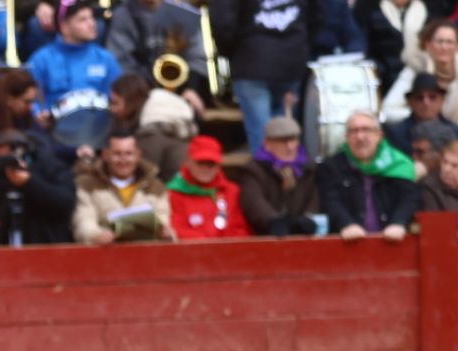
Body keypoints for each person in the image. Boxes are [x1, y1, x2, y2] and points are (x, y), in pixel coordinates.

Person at [208, 0, 319, 158]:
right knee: (284, 136)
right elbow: (319, 16)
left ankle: (269, 178)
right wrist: (298, 43)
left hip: (252, 62)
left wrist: (234, 52)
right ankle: (283, 178)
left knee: (263, 139)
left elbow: (223, 22)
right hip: (290, 62)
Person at [318, 109, 419, 241]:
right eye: (354, 131)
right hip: (346, 244)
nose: (360, 137)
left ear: (379, 135)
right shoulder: (331, 167)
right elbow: (330, 201)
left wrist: (398, 222)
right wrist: (346, 224)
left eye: (366, 130)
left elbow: (409, 198)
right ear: (346, 137)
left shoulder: (399, 164)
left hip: (392, 243)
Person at [28, 0, 122, 130]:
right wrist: (38, 114)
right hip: (53, 134)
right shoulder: (41, 59)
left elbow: (119, 97)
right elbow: (32, 100)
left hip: (98, 133)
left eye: (92, 18)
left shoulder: (105, 59)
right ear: (64, 26)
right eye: (83, 19)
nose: (92, 24)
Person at [105, 0, 209, 110]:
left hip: (182, 92)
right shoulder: (123, 15)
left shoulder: (181, 11)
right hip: (141, 95)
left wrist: (191, 88)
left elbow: (197, 57)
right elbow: (121, 62)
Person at [72, 131, 174, 243]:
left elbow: (163, 219)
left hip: (146, 253)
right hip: (105, 253)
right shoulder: (86, 185)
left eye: (129, 153)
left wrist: (165, 233)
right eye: (117, 154)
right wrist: (96, 235)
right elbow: (83, 221)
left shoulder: (155, 186)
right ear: (105, 155)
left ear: (138, 155)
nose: (123, 160)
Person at [382, 21, 458, 132]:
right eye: (439, 42)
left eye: (449, 42)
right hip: (417, 131)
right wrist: (422, 116)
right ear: (428, 45)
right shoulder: (415, 69)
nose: (444, 47)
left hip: (456, 135)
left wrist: (449, 132)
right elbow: (388, 109)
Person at [238, 114, 321, 235]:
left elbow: (314, 200)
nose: (290, 147)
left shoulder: (308, 170)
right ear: (267, 144)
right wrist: (273, 221)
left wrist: (307, 219)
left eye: (293, 140)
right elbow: (253, 202)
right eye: (283, 141)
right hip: (264, 239)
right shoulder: (254, 170)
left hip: (302, 238)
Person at [108, 71, 195, 180]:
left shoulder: (151, 133)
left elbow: (143, 175)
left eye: (116, 103)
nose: (112, 109)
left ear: (130, 101)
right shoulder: (171, 121)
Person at [166, 134, 251, 238]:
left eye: (211, 164)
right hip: (191, 252)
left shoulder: (232, 191)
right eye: (200, 163)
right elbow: (176, 230)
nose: (205, 168)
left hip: (229, 252)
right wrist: (210, 245)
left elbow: (242, 229)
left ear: (218, 165)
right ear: (188, 161)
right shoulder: (174, 193)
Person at [384, 71, 458, 150]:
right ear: (410, 102)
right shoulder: (395, 134)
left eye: (432, 97)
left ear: (442, 100)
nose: (426, 103)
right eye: (419, 98)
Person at [359, 0, 428, 91]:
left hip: (420, 73)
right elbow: (366, 49)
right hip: (386, 77)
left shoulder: (427, 13)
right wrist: (380, 70)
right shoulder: (373, 13)